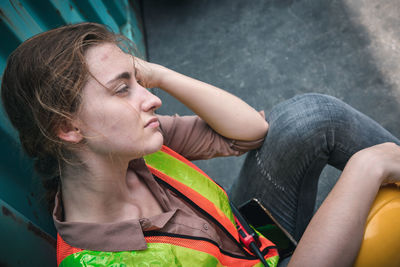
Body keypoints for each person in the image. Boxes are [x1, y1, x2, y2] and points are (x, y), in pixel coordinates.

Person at [1, 22, 399, 267]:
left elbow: (249, 131)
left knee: (310, 117)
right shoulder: (108, 263)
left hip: (250, 242)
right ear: (67, 128)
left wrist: (156, 73)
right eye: (122, 89)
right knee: (368, 172)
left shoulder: (132, 147)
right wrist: (366, 168)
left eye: (140, 81)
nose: (151, 98)